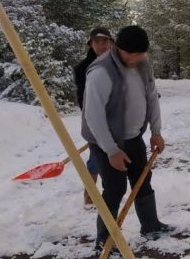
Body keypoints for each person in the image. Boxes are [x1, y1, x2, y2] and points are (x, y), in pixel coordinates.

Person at [82, 25, 171, 250]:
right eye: (132, 54)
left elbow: (151, 96)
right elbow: (93, 116)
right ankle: (104, 239)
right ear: (118, 49)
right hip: (104, 142)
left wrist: (156, 131)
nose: (137, 58)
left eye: (141, 54)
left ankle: (151, 225)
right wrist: (111, 150)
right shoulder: (100, 71)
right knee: (114, 188)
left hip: (133, 138)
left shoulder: (142, 62)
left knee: (143, 180)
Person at [73, 27, 113, 206]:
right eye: (97, 41)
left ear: (111, 42)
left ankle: (111, 193)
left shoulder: (119, 63)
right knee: (96, 158)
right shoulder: (83, 68)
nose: (101, 45)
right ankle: (90, 196)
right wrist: (94, 117)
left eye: (104, 41)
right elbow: (82, 97)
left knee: (115, 156)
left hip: (118, 119)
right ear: (91, 44)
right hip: (95, 120)